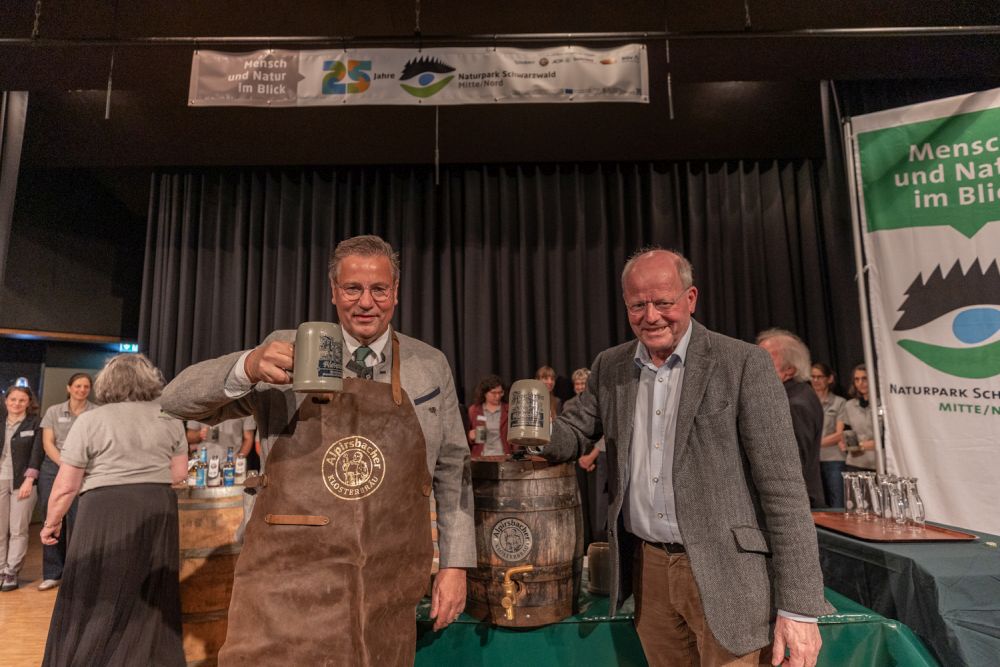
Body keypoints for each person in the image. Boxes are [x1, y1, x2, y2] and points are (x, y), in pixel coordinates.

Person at [161, 234, 475, 665]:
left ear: (396, 293)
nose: (366, 302)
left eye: (378, 289)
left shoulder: (428, 365)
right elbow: (175, 400)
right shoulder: (286, 350)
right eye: (352, 289)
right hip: (287, 575)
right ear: (333, 292)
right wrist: (247, 366)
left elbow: (453, 470)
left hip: (385, 576)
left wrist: (456, 565)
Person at [543, 248, 832, 666]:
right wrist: (532, 428)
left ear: (690, 299)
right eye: (637, 305)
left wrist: (800, 607)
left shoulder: (742, 363)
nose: (651, 316)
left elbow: (785, 490)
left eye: (663, 302)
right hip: (649, 571)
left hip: (726, 574)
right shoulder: (612, 366)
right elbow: (573, 431)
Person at [40, 354, 188, 666]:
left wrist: (51, 522)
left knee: (98, 586)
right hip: (157, 508)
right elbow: (178, 475)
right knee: (151, 590)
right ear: (150, 381)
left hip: (104, 510)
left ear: (106, 384)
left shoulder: (91, 420)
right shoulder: (170, 417)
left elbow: (67, 485)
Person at [37, 372, 96, 591]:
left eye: (86, 387)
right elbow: (48, 443)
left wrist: (75, 467)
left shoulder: (96, 413)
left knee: (79, 521)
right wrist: (66, 464)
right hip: (54, 468)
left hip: (85, 470)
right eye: (78, 386)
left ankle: (76, 574)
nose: (82, 390)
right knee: (52, 517)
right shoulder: (53, 411)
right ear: (69, 388)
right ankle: (53, 573)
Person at [757, 328, 826, 509]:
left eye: (764, 359)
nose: (754, 365)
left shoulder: (794, 404)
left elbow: (790, 468)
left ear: (789, 370)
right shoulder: (798, 395)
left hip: (797, 508)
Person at [1, 385, 42, 592]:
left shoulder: (35, 423)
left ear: (28, 402)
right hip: (1, 479)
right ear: (6, 401)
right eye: (13, 399)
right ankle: (0, 568)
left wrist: (29, 479)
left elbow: (37, 453)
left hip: (23, 482)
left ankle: (11, 572)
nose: (16, 403)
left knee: (18, 529)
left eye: (21, 400)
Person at [567, 368, 608, 545]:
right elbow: (569, 432)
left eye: (583, 383)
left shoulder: (601, 402)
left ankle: (600, 544)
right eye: (577, 383)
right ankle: (584, 544)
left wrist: (591, 456)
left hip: (599, 457)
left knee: (599, 506)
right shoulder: (569, 404)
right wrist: (581, 458)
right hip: (579, 459)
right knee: (581, 503)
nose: (580, 387)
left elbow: (607, 433)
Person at [811, 363, 846, 507]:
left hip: (833, 459)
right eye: (813, 377)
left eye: (820, 377)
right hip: (812, 461)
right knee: (817, 503)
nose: (816, 380)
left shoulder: (839, 402)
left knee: (837, 501)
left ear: (829, 379)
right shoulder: (806, 401)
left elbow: (839, 434)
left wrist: (813, 444)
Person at [837, 364, 877, 472]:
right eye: (857, 379)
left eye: (864, 379)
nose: (860, 383)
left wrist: (861, 445)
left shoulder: (883, 404)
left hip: (879, 463)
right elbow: (846, 431)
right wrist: (843, 442)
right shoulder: (849, 405)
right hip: (855, 463)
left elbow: (887, 438)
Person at [466, 375, 510, 459]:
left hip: (504, 456)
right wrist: (470, 437)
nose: (498, 396)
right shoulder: (474, 410)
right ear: (484, 393)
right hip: (481, 457)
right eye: (493, 393)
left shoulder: (508, 410)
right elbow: (462, 437)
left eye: (500, 392)